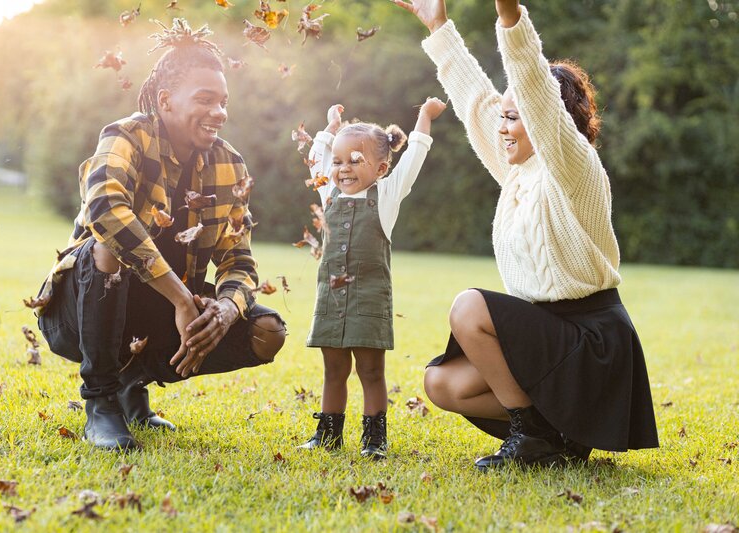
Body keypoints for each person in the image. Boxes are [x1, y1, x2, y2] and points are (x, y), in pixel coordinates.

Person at [393, 0, 659, 469]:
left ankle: (532, 434)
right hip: (550, 336)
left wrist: (509, 15)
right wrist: (438, 25)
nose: (503, 125)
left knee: (469, 306)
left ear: (543, 120)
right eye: (504, 116)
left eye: (514, 117)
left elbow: (535, 90)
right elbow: (476, 101)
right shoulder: (519, 174)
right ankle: (557, 435)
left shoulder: (573, 167)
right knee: (442, 384)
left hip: (591, 340)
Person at [33, 19, 286, 450]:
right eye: (205, 99)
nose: (219, 112)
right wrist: (183, 300)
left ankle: (134, 384)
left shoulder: (231, 165)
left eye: (223, 101)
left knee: (267, 332)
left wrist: (224, 309)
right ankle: (101, 401)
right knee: (109, 250)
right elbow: (106, 211)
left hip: (160, 313)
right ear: (165, 100)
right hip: (75, 311)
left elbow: (238, 261)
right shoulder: (125, 136)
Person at [299, 98, 446, 459]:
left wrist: (424, 118)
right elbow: (316, 155)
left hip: (369, 299)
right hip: (330, 299)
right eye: (338, 161)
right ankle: (328, 434)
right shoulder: (327, 190)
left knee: (370, 371)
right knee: (333, 370)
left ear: (381, 167)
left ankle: (374, 440)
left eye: (355, 160)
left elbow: (413, 159)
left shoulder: (386, 197)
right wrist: (329, 128)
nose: (343, 168)